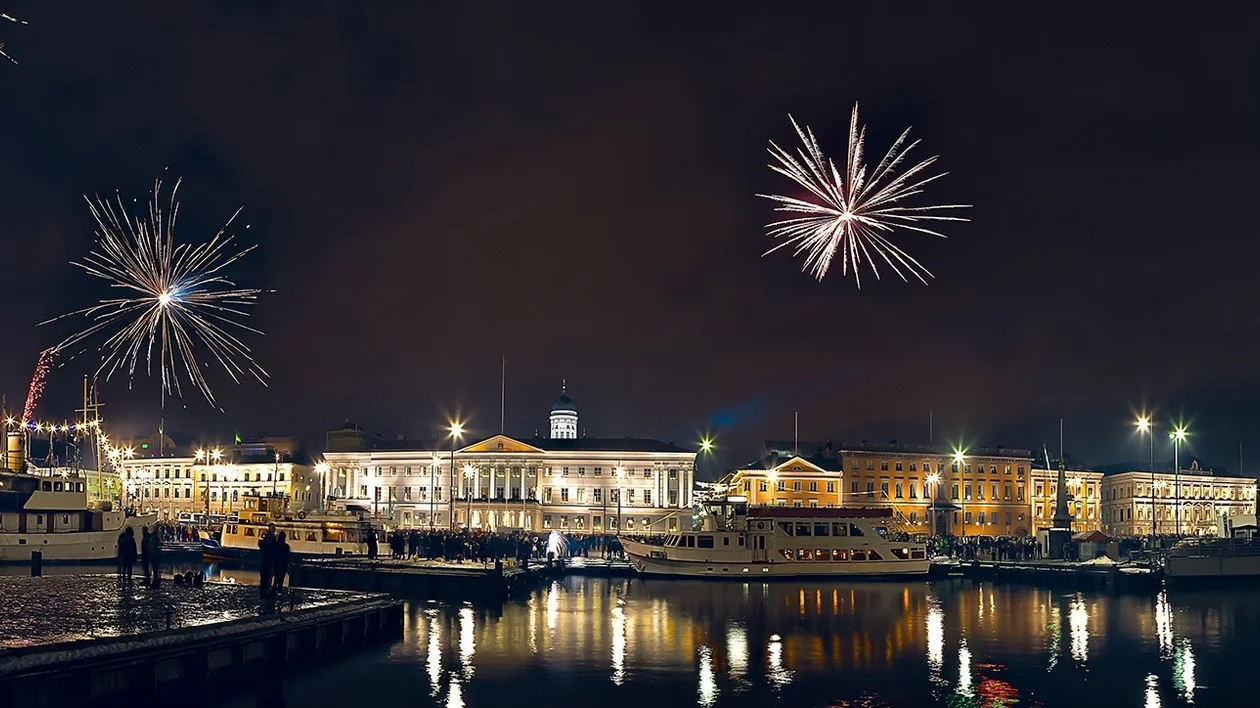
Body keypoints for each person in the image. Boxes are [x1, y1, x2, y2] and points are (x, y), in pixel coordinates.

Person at [258, 525, 275, 598]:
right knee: (267, 577)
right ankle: (265, 592)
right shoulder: (271, 539)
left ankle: (263, 592)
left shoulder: (265, 540)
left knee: (264, 578)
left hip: (264, 562)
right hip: (269, 562)